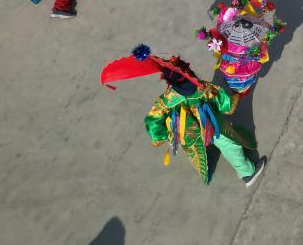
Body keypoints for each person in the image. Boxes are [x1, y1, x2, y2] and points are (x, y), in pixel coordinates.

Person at [99, 46, 266, 186]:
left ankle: (207, 155)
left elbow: (153, 119)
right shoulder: (203, 89)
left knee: (197, 151)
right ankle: (247, 173)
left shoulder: (168, 98)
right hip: (212, 125)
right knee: (229, 144)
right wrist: (237, 95)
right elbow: (225, 104)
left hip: (188, 133)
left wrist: (161, 135)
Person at [197, 0, 284, 95]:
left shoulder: (225, 36)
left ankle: (236, 89)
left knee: (233, 81)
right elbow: (264, 39)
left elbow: (220, 27)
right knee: (245, 81)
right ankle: (243, 89)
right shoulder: (254, 39)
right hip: (248, 67)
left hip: (231, 69)